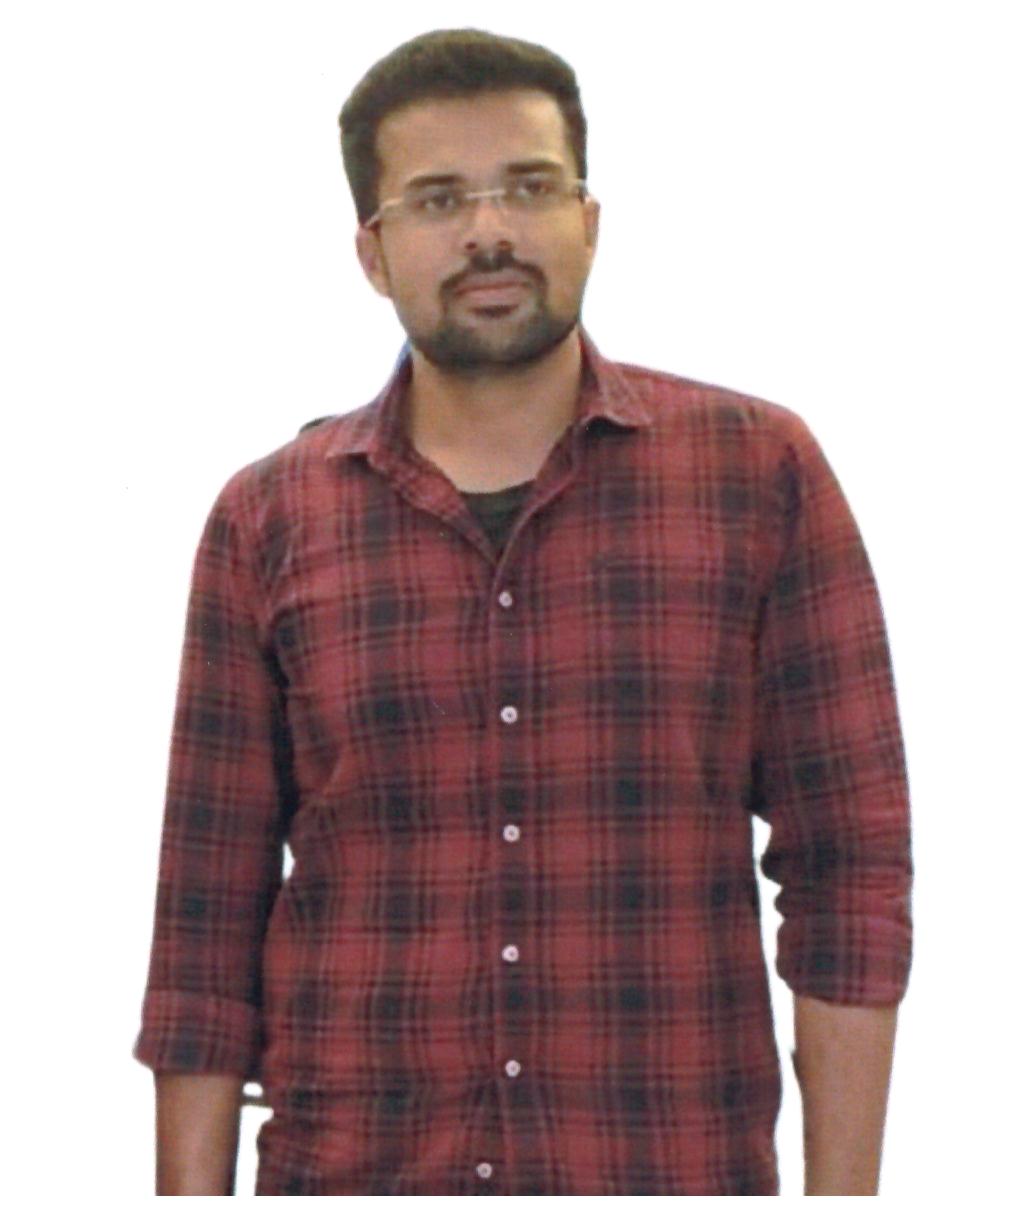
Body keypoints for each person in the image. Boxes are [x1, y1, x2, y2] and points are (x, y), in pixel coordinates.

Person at [132, 27, 913, 1196]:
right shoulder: (267, 520)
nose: (488, 229)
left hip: (664, 1174)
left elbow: (850, 875)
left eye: (530, 187)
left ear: (588, 221)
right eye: (438, 199)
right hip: (355, 1176)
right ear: (372, 250)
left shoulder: (758, 475)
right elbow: (206, 924)